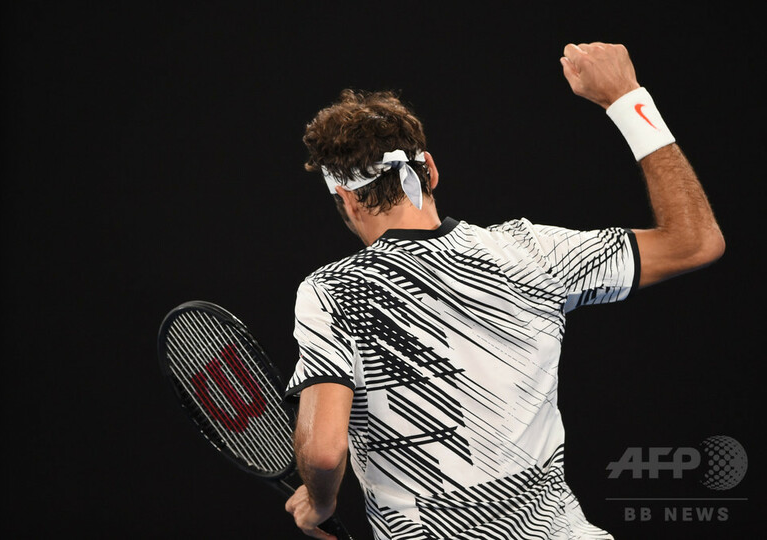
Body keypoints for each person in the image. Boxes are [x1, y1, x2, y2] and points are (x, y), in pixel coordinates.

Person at [283, 42, 724, 540]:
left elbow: (324, 452)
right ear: (430, 169)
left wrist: (320, 502)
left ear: (346, 199)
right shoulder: (533, 252)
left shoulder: (332, 292)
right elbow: (696, 242)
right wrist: (626, 97)